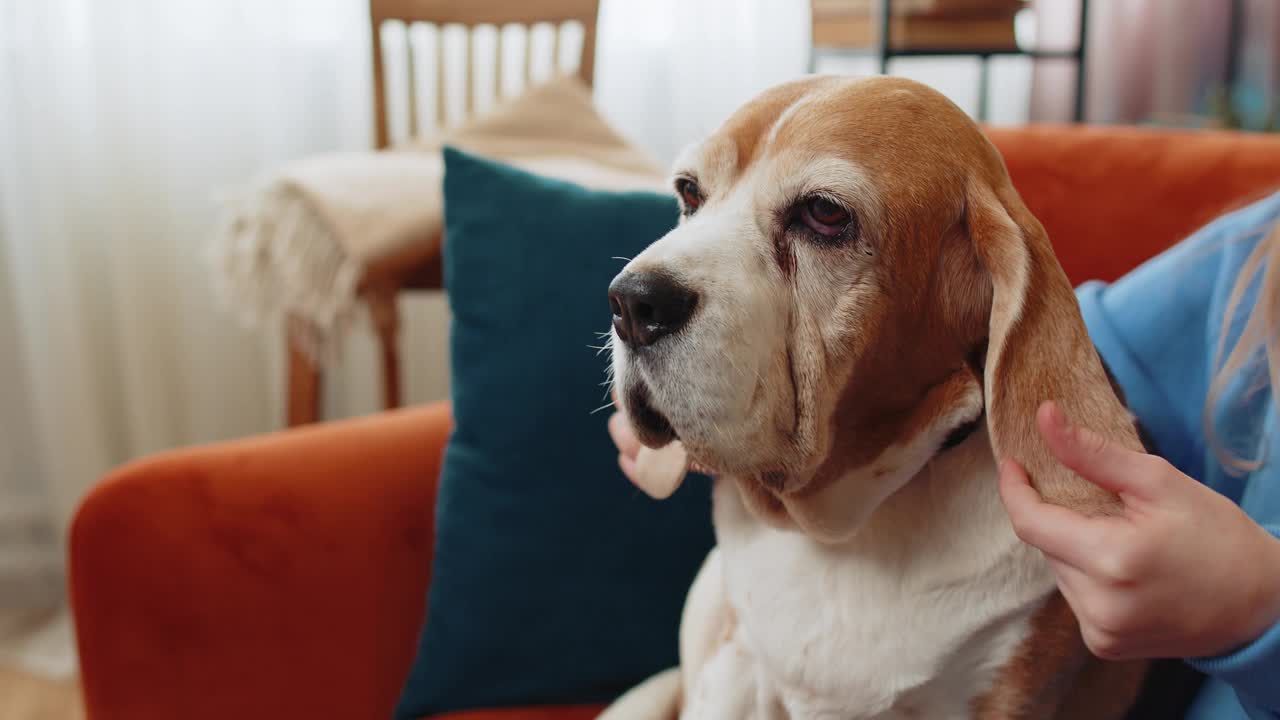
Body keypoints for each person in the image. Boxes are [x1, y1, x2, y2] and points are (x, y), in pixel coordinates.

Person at [607, 190, 1280, 718]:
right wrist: (707, 380)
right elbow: (1046, 344)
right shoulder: (1253, 252)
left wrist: (1261, 607)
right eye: (691, 198)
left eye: (825, 215)